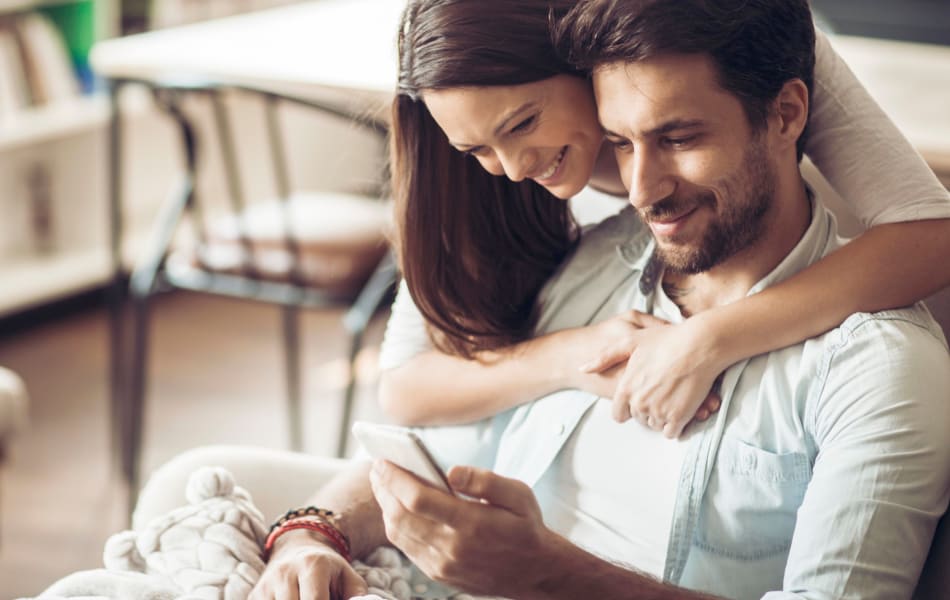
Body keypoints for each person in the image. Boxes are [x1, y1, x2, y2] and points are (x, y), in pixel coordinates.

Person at [231, 0, 950, 597]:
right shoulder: (599, 257)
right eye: (620, 143)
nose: (640, 192)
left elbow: (934, 233)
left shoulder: (872, 369)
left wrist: (713, 337)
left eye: (677, 137)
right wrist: (310, 532)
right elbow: (422, 422)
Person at [380, 0, 950, 438]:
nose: (511, 168)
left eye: (524, 123)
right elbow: (405, 386)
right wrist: (573, 357)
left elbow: (933, 234)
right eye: (476, 149)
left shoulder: (716, 31)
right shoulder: (467, 128)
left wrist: (710, 339)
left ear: (582, 50)